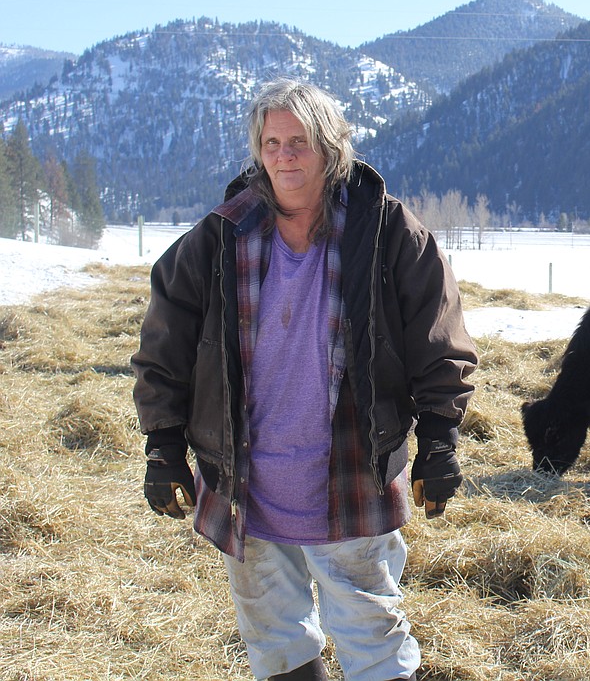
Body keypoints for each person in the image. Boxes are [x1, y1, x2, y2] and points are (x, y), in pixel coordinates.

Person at [132, 77, 477, 681]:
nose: (285, 156)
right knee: (275, 641)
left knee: (372, 632)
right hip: (246, 478)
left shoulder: (385, 229)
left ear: (330, 146)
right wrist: (162, 445)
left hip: (350, 472)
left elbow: (438, 340)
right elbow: (165, 343)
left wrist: (440, 443)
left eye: (299, 141)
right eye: (271, 143)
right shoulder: (220, 236)